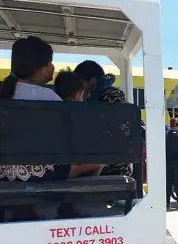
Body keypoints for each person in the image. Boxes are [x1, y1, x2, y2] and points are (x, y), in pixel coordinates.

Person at [0, 36, 103, 182]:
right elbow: (72, 137)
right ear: (40, 69)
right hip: (37, 174)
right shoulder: (47, 97)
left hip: (4, 173)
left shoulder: (5, 90)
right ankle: (71, 204)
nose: (52, 67)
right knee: (97, 162)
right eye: (50, 62)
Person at [74, 60, 133, 177]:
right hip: (115, 167)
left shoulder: (109, 94)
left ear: (92, 81)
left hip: (109, 168)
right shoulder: (105, 94)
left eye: (79, 83)